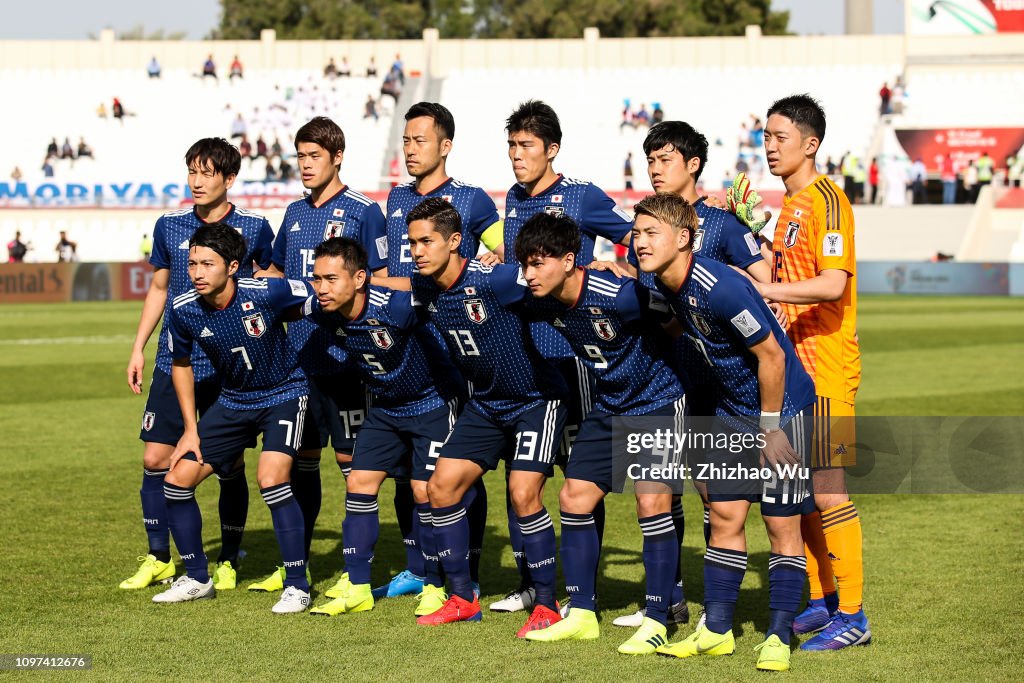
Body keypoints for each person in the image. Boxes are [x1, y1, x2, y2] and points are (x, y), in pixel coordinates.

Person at [632, 192, 815, 673]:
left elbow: (772, 357)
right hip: (732, 411)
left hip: (786, 411)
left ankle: (778, 636)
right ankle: (715, 631)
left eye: (652, 233)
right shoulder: (665, 282)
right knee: (725, 515)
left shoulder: (719, 287)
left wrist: (772, 429)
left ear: (684, 239)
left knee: (781, 525)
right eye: (638, 233)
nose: (641, 242)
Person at [609, 120, 774, 631]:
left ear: (693, 164)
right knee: (657, 489)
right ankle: (670, 597)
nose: (655, 169)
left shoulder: (722, 225)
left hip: (713, 382)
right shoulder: (645, 226)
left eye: (665, 159)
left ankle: (714, 603)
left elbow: (766, 285)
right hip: (660, 374)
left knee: (712, 492)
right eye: (650, 160)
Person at [511, 213, 687, 656]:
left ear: (570, 260)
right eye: (525, 265)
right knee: (574, 497)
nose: (529, 275)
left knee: (652, 501)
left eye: (538, 264)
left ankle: (657, 617)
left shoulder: (622, 296)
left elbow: (678, 321)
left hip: (657, 402)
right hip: (609, 407)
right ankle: (583, 615)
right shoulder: (541, 297)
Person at [489, 100, 633, 613]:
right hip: (523, 360)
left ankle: (581, 587)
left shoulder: (582, 196)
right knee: (520, 473)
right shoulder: (512, 196)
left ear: (552, 150)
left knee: (580, 475)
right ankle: (532, 582)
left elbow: (636, 236)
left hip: (574, 360)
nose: (516, 156)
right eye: (511, 145)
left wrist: (621, 268)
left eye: (526, 146)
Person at [404, 198, 567, 635]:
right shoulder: (424, 289)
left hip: (536, 399)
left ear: (456, 241)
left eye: (426, 241)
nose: (417, 250)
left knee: (523, 493)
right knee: (440, 487)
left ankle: (547, 604)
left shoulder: (495, 279)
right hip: (487, 404)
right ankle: (461, 598)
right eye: (412, 242)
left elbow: (550, 284)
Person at [122, 137, 274, 593]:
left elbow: (269, 285)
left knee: (227, 466)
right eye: (192, 171)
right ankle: (158, 557)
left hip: (229, 364)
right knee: (154, 457)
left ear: (229, 179)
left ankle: (228, 559)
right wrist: (138, 347)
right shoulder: (170, 225)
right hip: (176, 359)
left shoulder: (254, 226)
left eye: (208, 173)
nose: (198, 181)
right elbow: (159, 288)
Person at [250, 116, 388, 595]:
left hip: (347, 360)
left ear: (337, 157)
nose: (305, 165)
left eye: (314, 157)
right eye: (300, 157)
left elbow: (383, 278)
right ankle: (298, 563)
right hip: (298, 360)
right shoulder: (293, 212)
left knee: (352, 464)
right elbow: (276, 272)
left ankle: (357, 573)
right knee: (300, 461)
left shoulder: (364, 210)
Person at [755, 94, 871, 651]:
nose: (769, 146)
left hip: (826, 366)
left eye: (779, 137)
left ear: (810, 143)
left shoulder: (828, 201)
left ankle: (854, 615)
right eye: (766, 137)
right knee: (801, 494)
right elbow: (790, 291)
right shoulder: (790, 207)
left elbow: (833, 284)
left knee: (827, 491)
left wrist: (768, 290)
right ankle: (825, 600)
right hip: (796, 369)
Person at [301, 237, 465, 618]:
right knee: (359, 483)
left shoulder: (395, 306)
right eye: (316, 279)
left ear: (360, 278)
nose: (321, 288)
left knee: (426, 492)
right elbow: (284, 301)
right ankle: (358, 586)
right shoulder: (322, 308)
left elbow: (444, 307)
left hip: (432, 405)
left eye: (330, 279)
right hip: (386, 410)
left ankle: (435, 585)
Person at [154, 223, 313, 613]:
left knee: (271, 478)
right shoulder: (183, 308)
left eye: (207, 263)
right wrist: (190, 431)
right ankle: (196, 578)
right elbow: (181, 364)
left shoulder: (266, 291)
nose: (196, 272)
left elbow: (319, 294)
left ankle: (297, 585)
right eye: (192, 264)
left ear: (233, 266)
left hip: (284, 394)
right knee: (176, 481)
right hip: (234, 401)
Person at [381, 102, 501, 599]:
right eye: (406, 141)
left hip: (457, 356)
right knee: (409, 472)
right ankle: (419, 565)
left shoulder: (471, 200)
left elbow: (503, 251)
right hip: (407, 357)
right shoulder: (394, 199)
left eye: (420, 141)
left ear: (445, 146)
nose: (410, 149)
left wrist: (492, 254)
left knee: (453, 469)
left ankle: (464, 570)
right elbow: (388, 273)